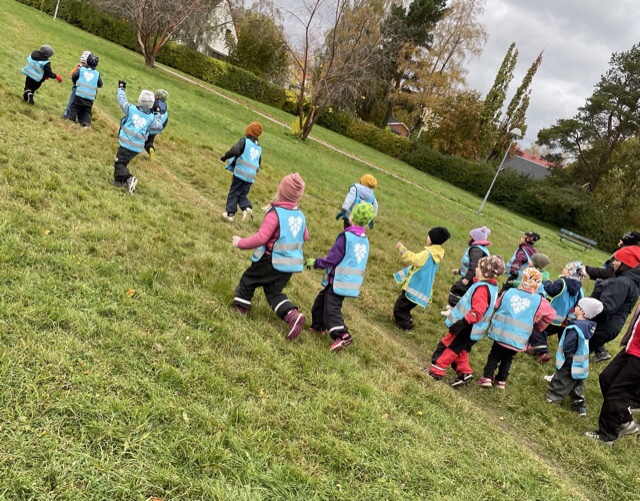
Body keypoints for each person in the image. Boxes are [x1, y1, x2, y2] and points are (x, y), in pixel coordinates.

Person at [231, 174, 308, 340]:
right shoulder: (300, 216)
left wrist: (240, 243)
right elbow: (305, 236)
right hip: (289, 266)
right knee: (273, 292)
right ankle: (292, 315)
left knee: (248, 280)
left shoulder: (275, 214)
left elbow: (261, 238)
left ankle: (240, 308)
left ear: (280, 191)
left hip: (270, 261)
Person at [307, 203, 375, 352]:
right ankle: (318, 326)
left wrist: (316, 262)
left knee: (332, 309)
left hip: (339, 281)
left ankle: (343, 335)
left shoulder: (346, 237)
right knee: (321, 302)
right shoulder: (364, 239)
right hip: (350, 282)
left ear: (352, 217)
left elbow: (332, 259)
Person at [428, 255, 505, 386]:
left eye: (478, 267)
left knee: (448, 347)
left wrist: (462, 322)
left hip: (466, 326)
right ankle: (464, 373)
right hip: (474, 329)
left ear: (485, 272)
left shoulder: (482, 289)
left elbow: (477, 312)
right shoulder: (490, 287)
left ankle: (436, 371)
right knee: (461, 350)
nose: (475, 269)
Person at [477, 267, 555, 389]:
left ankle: (487, 377)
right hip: (518, 338)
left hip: (500, 332)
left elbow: (496, 305)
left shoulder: (509, 292)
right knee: (508, 358)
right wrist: (539, 325)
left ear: (523, 279)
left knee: (495, 355)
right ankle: (501, 380)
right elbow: (551, 315)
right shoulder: (540, 301)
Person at [585, 300, 640, 445]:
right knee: (606, 378)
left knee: (618, 392)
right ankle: (626, 422)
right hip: (632, 348)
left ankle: (607, 435)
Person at [546, 297, 603, 417]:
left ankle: (553, 398)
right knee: (577, 381)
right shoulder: (588, 326)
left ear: (582, 312)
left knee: (561, 379)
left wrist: (567, 354)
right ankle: (579, 406)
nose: (575, 307)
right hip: (581, 362)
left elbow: (568, 345)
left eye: (578, 306)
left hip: (570, 361)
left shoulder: (574, 328)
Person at [585, 247, 640, 362]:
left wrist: (585, 314)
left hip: (602, 327)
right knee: (581, 355)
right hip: (611, 327)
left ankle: (566, 373)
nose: (613, 263)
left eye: (617, 260)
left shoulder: (621, 282)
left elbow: (605, 308)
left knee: (576, 355)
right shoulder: (631, 282)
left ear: (625, 264)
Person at [393, 227, 451, 331]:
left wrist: (402, 248)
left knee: (399, 308)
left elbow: (412, 259)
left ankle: (406, 325)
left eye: (429, 236)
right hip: (421, 290)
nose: (427, 237)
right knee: (405, 307)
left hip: (413, 288)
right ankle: (407, 320)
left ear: (433, 239)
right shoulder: (436, 255)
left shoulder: (427, 254)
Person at [113, 81, 165, 194]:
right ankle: (119, 182)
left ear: (140, 100)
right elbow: (159, 126)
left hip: (127, 144)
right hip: (137, 147)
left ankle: (129, 178)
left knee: (119, 163)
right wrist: (157, 113)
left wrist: (121, 89)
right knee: (123, 162)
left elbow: (122, 101)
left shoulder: (131, 109)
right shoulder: (151, 118)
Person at [528, 261, 585, 363]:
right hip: (566, 320)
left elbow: (551, 291)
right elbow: (580, 303)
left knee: (538, 330)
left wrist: (547, 282)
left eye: (565, 268)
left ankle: (542, 351)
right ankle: (568, 357)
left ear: (570, 272)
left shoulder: (561, 282)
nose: (563, 269)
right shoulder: (580, 289)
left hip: (553, 317)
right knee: (564, 339)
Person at [440, 226, 491, 317]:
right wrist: (459, 271)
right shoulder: (478, 249)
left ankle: (453, 310)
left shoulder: (476, 250)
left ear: (475, 239)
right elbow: (468, 266)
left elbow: (474, 266)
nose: (468, 238)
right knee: (460, 291)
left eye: (470, 236)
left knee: (459, 290)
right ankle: (453, 307)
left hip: (472, 278)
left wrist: (467, 278)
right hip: (472, 277)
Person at [221, 122, 263, 223]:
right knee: (242, 195)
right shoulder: (259, 148)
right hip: (250, 177)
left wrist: (225, 156)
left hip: (240, 174)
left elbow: (235, 150)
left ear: (249, 131)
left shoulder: (244, 141)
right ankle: (246, 208)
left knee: (234, 193)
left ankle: (230, 215)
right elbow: (258, 164)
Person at [584, 231, 640, 298]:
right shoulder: (634, 256)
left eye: (620, 241)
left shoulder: (624, 255)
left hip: (606, 290)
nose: (618, 244)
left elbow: (608, 273)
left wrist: (587, 269)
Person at [67, 53, 102, 127]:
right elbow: (100, 84)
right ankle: (86, 124)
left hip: (79, 94)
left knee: (74, 107)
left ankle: (71, 120)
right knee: (87, 111)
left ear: (87, 62)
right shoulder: (97, 74)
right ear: (96, 65)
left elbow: (74, 76)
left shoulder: (82, 70)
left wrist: (75, 83)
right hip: (90, 97)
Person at [63, 50, 90, 119]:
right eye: (82, 62)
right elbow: (72, 74)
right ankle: (67, 115)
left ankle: (70, 115)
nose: (83, 64)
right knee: (72, 102)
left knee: (74, 103)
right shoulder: (80, 68)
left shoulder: (87, 70)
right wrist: (76, 69)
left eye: (84, 63)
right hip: (77, 89)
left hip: (80, 89)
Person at [144, 89, 169, 161]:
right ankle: (150, 149)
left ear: (157, 97)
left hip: (149, 125)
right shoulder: (165, 109)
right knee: (149, 141)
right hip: (157, 128)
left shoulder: (153, 104)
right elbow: (165, 122)